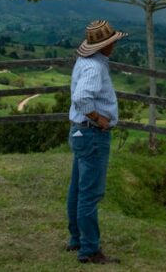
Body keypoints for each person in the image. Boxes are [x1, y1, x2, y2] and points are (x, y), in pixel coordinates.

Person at [66, 20, 126, 265]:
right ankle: (89, 249)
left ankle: (77, 238)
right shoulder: (94, 68)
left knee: (78, 190)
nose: (115, 45)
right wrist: (99, 119)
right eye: (112, 42)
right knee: (90, 193)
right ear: (104, 45)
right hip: (92, 134)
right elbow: (81, 97)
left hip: (80, 133)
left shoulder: (86, 62)